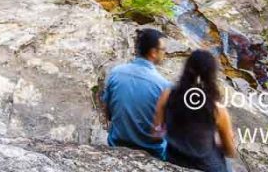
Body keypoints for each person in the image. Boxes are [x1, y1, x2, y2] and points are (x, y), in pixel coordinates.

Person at [152, 49, 236, 171]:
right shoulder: (217, 110)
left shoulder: (167, 95)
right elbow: (230, 151)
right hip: (208, 167)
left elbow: (156, 135)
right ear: (211, 76)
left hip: (174, 161)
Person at [100, 28, 171, 159]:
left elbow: (108, 113)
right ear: (153, 52)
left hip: (117, 144)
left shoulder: (116, 73)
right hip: (152, 153)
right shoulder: (164, 86)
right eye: (163, 50)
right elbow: (162, 129)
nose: (165, 53)